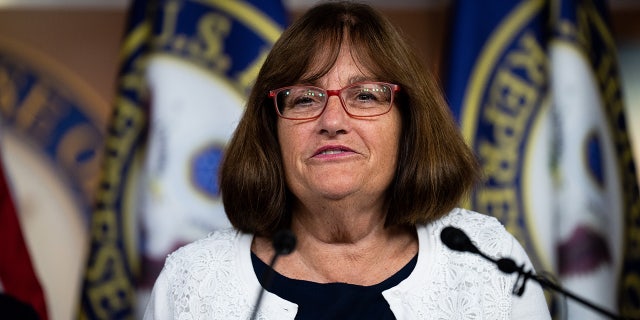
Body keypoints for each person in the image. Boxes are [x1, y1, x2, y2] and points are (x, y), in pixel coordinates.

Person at [143, 1, 551, 319]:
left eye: (366, 95)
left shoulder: (487, 259)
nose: (333, 120)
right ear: (272, 130)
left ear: (408, 123)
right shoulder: (192, 281)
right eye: (305, 98)